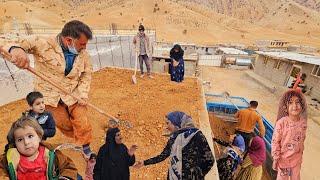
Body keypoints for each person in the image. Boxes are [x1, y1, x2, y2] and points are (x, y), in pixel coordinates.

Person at [5, 20, 94, 158]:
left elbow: (86, 74)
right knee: (65, 124)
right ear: (69, 40)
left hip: (73, 94)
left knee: (82, 121)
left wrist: (82, 94)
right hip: (49, 97)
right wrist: (16, 49)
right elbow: (9, 41)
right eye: (82, 44)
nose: (85, 47)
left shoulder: (84, 55)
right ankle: (75, 134)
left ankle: (85, 146)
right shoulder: (43, 42)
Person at [134, 111, 214, 180]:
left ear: (176, 124)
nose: (167, 127)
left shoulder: (196, 136)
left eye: (168, 123)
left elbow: (210, 160)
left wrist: (197, 174)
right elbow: (162, 156)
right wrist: (144, 163)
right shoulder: (174, 138)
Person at [0, 115, 78, 179]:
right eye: (20, 140)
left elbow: (68, 166)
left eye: (30, 136)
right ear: (15, 143)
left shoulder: (51, 153)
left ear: (39, 137)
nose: (26, 142)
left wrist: (65, 178)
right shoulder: (10, 157)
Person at [271, 89, 307, 180]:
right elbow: (275, 141)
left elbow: (302, 140)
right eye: (290, 103)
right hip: (283, 160)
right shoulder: (281, 123)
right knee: (283, 178)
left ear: (302, 106)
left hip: (297, 159)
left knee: (296, 178)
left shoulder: (303, 123)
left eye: (297, 102)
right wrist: (276, 158)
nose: (295, 106)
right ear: (285, 108)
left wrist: (300, 153)